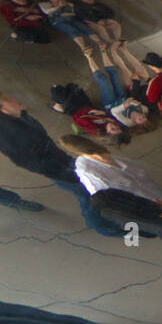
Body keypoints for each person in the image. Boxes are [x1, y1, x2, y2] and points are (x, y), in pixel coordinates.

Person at [0, 93, 124, 236]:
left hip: (61, 160)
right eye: (9, 100)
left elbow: (42, 138)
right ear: (3, 110)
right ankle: (102, 226)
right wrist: (63, 173)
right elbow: (26, 159)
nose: (15, 99)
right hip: (56, 168)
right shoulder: (9, 135)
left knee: (89, 191)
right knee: (87, 194)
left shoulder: (21, 116)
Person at [63, 134, 162, 210]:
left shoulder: (102, 152)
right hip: (138, 201)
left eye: (103, 154)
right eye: (96, 156)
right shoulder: (87, 171)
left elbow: (136, 174)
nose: (104, 158)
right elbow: (107, 196)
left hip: (148, 189)